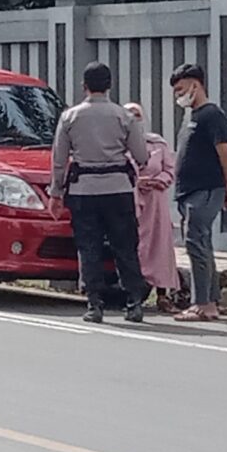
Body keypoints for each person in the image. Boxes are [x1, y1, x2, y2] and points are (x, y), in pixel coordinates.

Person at [49, 61, 150, 323]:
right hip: (118, 188)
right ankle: (134, 303)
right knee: (125, 246)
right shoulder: (124, 116)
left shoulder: (70, 117)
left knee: (88, 247)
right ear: (110, 86)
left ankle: (94, 304)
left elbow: (59, 160)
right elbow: (141, 155)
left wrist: (56, 193)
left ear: (84, 87)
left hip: (83, 190)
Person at [167, 62, 227, 321]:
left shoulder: (211, 115)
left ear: (196, 85)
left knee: (196, 243)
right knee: (203, 244)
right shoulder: (192, 117)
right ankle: (213, 300)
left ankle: (202, 303)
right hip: (189, 192)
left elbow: (226, 152)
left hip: (205, 190)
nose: (178, 96)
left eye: (181, 89)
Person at [126, 102, 182, 307]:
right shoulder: (118, 144)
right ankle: (135, 292)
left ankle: (163, 293)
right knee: (135, 246)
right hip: (131, 201)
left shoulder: (158, 144)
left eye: (137, 115)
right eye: (129, 115)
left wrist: (160, 180)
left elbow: (170, 169)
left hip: (156, 203)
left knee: (160, 246)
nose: (134, 119)